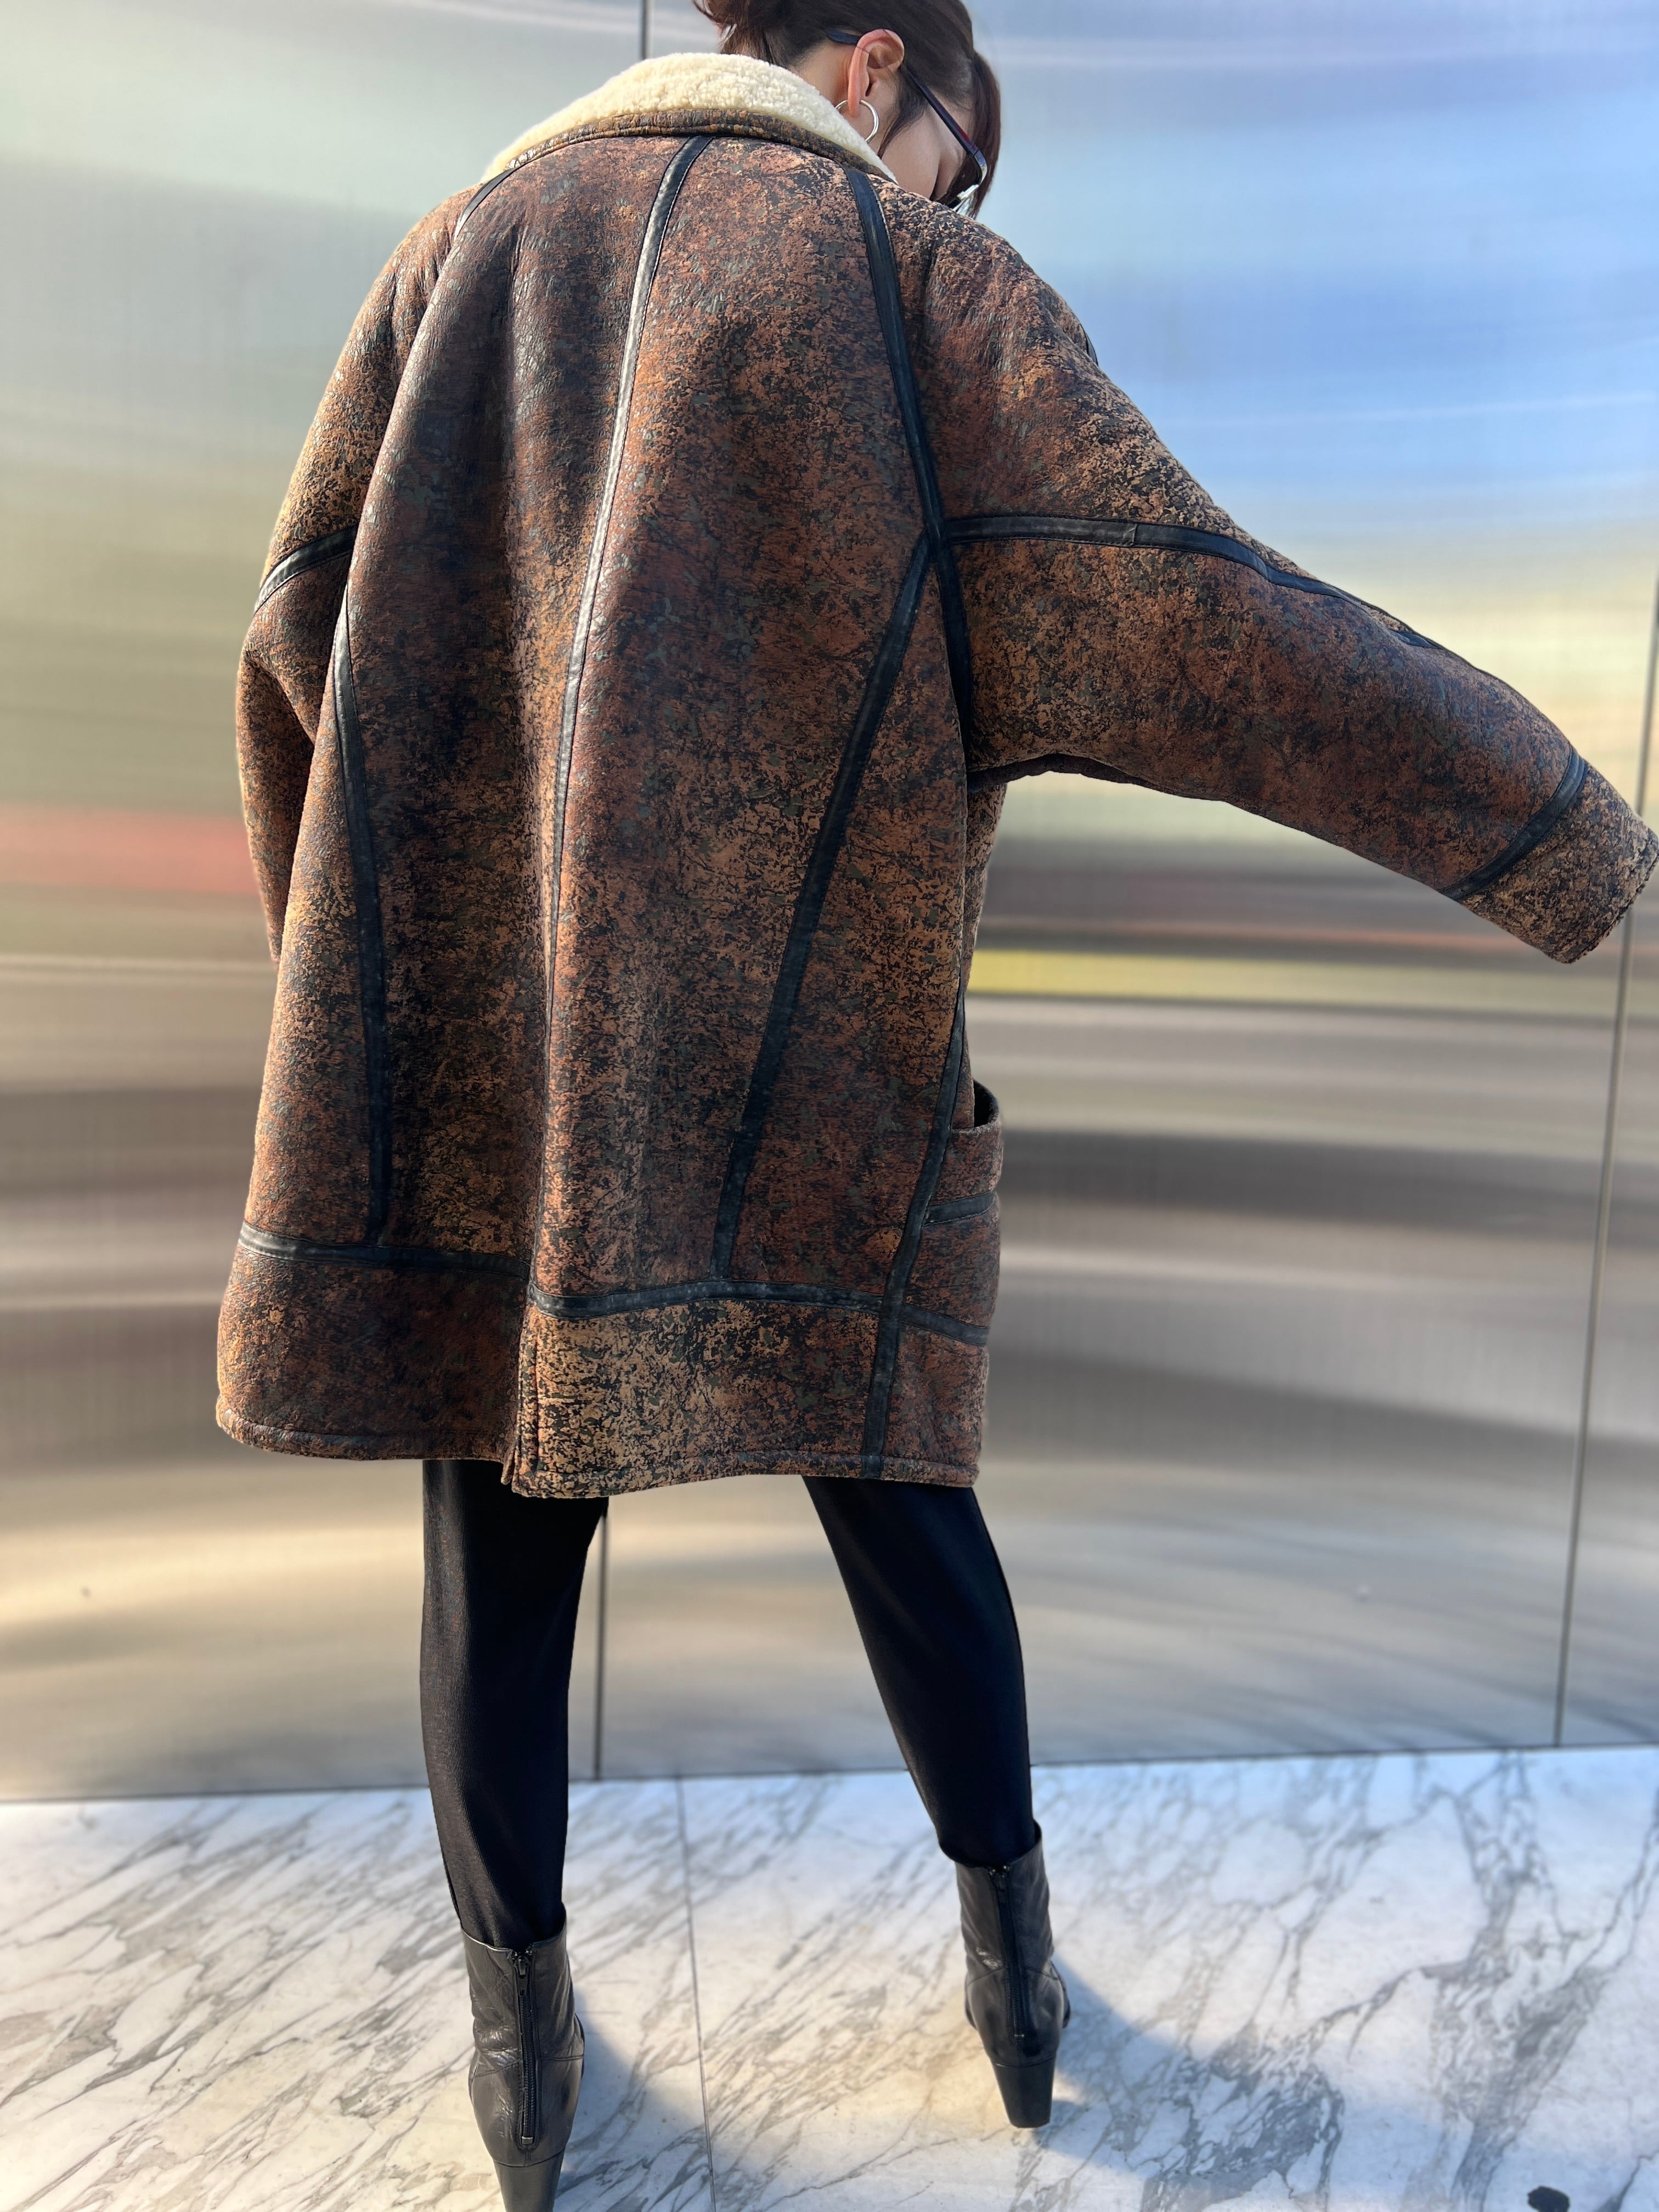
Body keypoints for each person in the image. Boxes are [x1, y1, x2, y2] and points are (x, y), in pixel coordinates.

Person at [218, 0, 1656, 2200]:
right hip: (811, 1071)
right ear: (878, 69)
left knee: (493, 1545)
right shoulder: (906, 282)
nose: (959, 203)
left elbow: (296, 641)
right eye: (963, 162)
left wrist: (366, 1029)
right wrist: (1563, 832)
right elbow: (1209, 632)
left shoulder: (453, 255)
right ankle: (1018, 1986)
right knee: (902, 1498)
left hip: (498, 1082)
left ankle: (521, 2057)